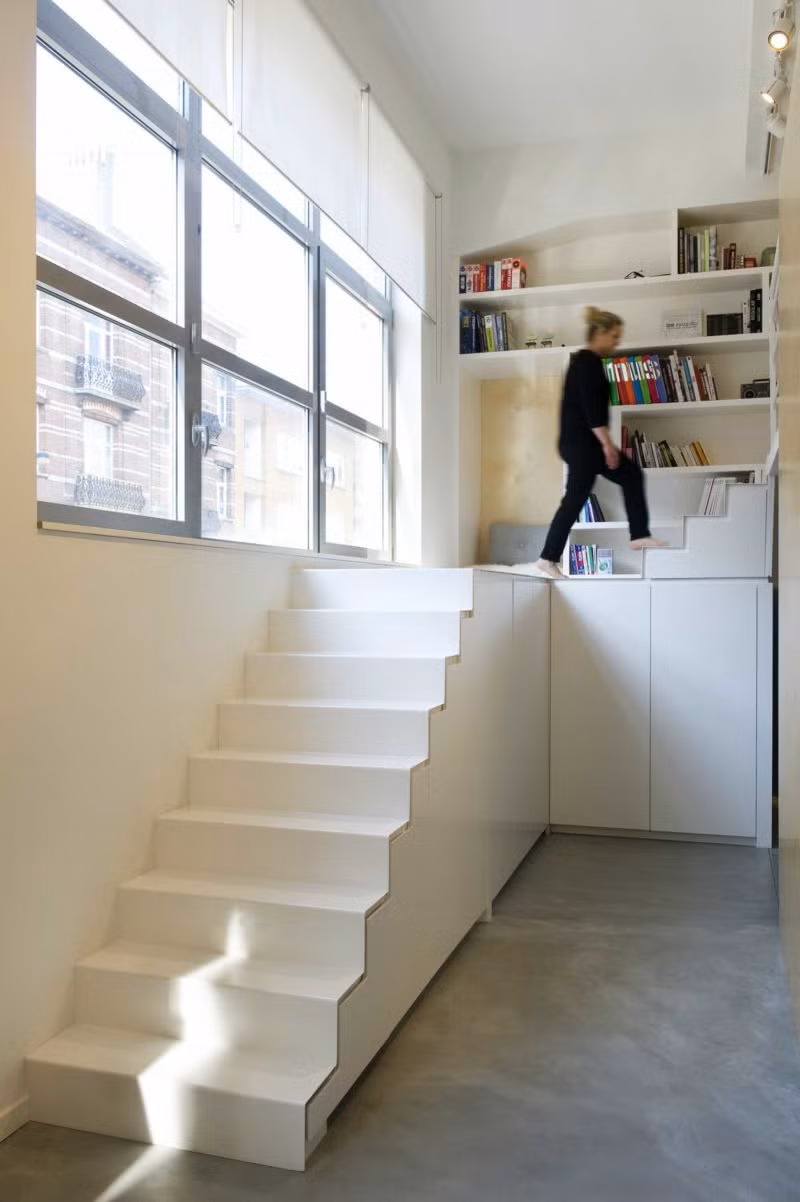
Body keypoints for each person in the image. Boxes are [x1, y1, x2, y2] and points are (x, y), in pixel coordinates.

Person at [535, 306, 664, 578]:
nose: (617, 342)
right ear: (600, 332)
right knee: (615, 481)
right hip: (585, 446)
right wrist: (607, 445)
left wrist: (604, 444)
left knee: (592, 492)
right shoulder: (588, 363)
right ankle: (548, 557)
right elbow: (592, 411)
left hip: (582, 445)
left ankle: (638, 535)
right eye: (614, 336)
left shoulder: (583, 362)